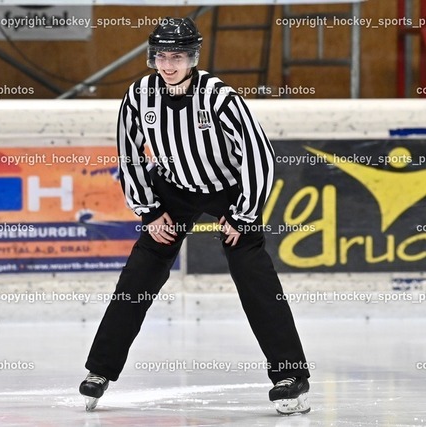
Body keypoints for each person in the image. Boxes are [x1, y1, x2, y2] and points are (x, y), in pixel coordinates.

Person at [79, 17, 311, 415]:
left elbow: (258, 154)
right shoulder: (139, 96)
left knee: (253, 276)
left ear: (192, 58)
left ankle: (291, 377)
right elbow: (129, 154)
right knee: (139, 274)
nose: (168, 65)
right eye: (161, 57)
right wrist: (150, 210)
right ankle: (100, 370)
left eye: (177, 57)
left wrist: (243, 214)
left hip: (228, 189)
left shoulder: (219, 96)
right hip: (174, 191)